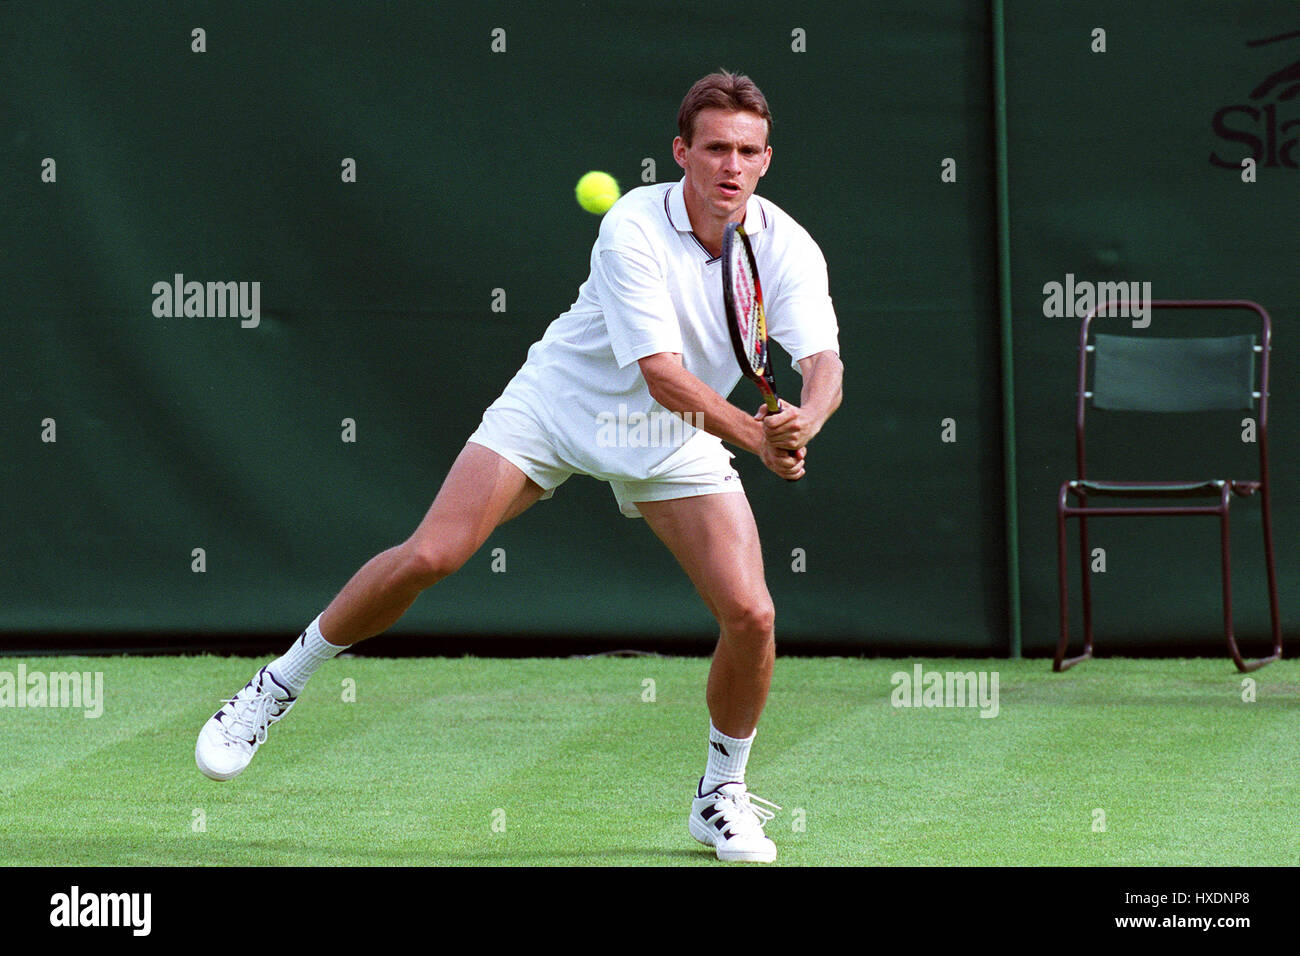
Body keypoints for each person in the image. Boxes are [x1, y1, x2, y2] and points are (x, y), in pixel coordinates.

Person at [195, 70, 842, 864]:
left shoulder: (786, 246)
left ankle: (721, 797)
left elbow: (821, 359)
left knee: (753, 616)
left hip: (674, 443)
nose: (729, 167)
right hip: (559, 409)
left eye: (746, 151)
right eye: (714, 149)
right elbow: (662, 375)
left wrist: (806, 417)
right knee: (431, 555)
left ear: (766, 159)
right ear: (682, 152)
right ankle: (277, 685)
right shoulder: (633, 225)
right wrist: (756, 434)